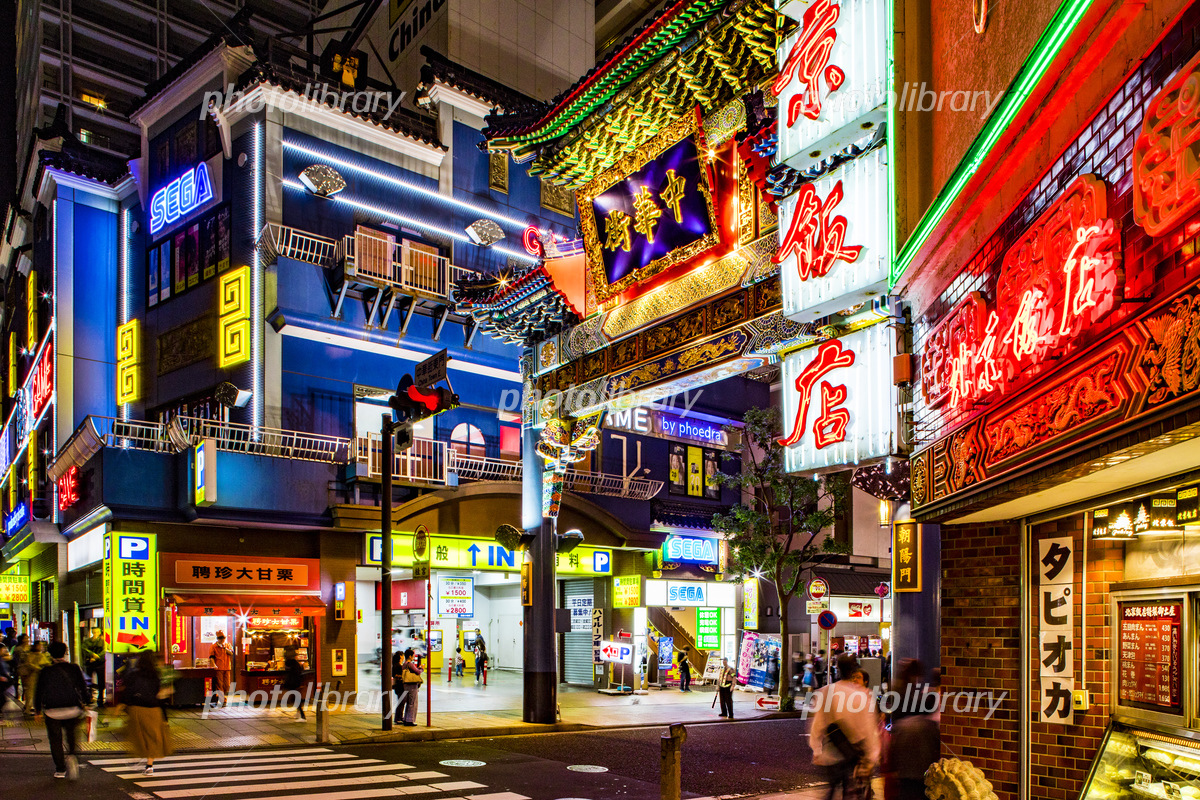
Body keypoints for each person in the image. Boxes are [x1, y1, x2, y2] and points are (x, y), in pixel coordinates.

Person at [809, 654, 880, 800]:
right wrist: (872, 756)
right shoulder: (861, 695)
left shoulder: (825, 692)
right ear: (853, 670)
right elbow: (868, 728)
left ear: (838, 669)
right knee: (851, 792)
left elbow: (818, 724)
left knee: (832, 789)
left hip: (831, 752)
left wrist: (816, 748)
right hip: (854, 754)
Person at [34, 641, 88, 780]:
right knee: (71, 736)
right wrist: (87, 702)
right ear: (65, 652)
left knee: (55, 740)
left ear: (50, 653)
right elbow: (82, 687)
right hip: (72, 708)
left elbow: (39, 691)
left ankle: (60, 769)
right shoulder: (74, 668)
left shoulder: (45, 671)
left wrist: (37, 711)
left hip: (52, 711)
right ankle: (72, 755)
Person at [121, 650, 173, 775]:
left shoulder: (134, 675)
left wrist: (124, 707)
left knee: (138, 736)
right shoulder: (156, 675)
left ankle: (137, 758)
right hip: (154, 710)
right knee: (152, 739)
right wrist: (165, 717)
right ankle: (149, 766)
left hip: (137, 709)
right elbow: (160, 697)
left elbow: (127, 692)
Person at [23, 640, 50, 716]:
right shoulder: (31, 655)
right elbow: (29, 664)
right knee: (30, 692)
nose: (41, 647)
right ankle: (28, 708)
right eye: (39, 645)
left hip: (39, 676)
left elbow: (47, 663)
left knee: (37, 692)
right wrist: (39, 668)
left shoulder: (42, 655)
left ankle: (35, 708)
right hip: (32, 676)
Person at [81, 629, 106, 705]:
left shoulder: (103, 641)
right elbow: (84, 649)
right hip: (90, 663)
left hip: (99, 663)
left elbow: (104, 650)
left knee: (101, 681)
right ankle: (89, 697)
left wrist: (96, 657)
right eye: (94, 632)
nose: (96, 633)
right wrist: (92, 655)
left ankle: (100, 698)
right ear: (92, 632)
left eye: (97, 632)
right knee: (88, 681)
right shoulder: (87, 641)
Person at [399, 648, 423, 726]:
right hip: (412, 685)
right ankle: (410, 720)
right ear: (409, 656)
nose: (413, 656)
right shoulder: (410, 664)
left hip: (405, 685)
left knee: (409, 702)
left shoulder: (404, 664)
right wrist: (421, 668)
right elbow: (418, 672)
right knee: (412, 703)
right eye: (413, 655)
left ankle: (406, 719)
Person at [282, 647, 306, 721]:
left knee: (295, 699)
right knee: (294, 698)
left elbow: (294, 673)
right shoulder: (292, 662)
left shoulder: (292, 663)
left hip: (293, 683)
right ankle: (299, 714)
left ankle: (302, 716)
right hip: (293, 683)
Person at [209, 630, 232, 705]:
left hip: (227, 667)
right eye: (221, 638)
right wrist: (214, 665)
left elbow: (231, 653)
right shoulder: (214, 646)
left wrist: (225, 648)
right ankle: (222, 699)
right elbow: (211, 657)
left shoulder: (227, 645)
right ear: (217, 639)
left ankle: (223, 697)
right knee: (219, 684)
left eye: (223, 638)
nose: (222, 640)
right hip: (219, 668)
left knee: (227, 684)